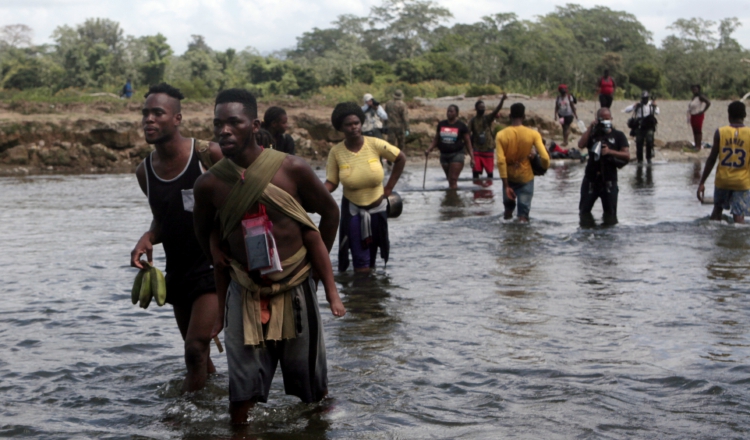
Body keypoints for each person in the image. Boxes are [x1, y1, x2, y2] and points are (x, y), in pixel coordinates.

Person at [192, 88, 345, 425]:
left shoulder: (292, 169)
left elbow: (329, 214)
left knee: (312, 392)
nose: (224, 131)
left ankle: (317, 430)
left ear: (254, 124)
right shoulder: (209, 185)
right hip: (244, 290)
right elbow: (202, 231)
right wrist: (218, 253)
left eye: (234, 122)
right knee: (241, 397)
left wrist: (316, 272)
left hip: (295, 287)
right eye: (219, 124)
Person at [129, 83, 223, 392]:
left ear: (178, 118)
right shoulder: (145, 171)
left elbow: (241, 199)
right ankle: (216, 402)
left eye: (158, 113)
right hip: (179, 271)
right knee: (198, 355)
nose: (149, 120)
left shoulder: (207, 154)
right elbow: (164, 217)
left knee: (194, 348)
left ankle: (186, 417)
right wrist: (149, 235)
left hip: (214, 266)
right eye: (146, 114)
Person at [325, 102, 406, 273]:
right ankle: (361, 294)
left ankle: (371, 298)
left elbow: (400, 158)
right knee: (360, 260)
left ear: (361, 123)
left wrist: (389, 188)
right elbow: (331, 183)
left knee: (374, 257)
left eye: (356, 123)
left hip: (379, 210)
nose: (354, 127)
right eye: (348, 124)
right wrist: (311, 193)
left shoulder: (375, 144)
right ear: (341, 128)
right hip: (354, 211)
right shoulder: (336, 152)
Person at [697, 101, 750, 224]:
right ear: (744, 116)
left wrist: (702, 182)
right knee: (739, 216)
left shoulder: (720, 132)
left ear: (729, 116)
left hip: (723, 181)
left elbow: (711, 159)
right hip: (742, 182)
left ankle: (714, 238)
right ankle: (738, 241)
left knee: (717, 211)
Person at [495, 103, 550, 222]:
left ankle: (507, 237)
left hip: (509, 178)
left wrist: (506, 186)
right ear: (524, 117)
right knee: (523, 216)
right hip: (526, 178)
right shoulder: (533, 134)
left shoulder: (501, 135)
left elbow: (501, 161)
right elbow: (545, 157)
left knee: (508, 213)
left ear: (510, 116)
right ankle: (523, 238)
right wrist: (544, 168)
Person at [578, 107, 630, 220]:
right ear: (597, 119)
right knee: (584, 212)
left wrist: (609, 151)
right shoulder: (592, 134)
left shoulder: (618, 135)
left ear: (611, 119)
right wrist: (591, 127)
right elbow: (581, 144)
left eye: (608, 118)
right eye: (603, 119)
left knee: (610, 215)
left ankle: (607, 236)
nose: (606, 121)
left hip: (609, 179)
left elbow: (627, 155)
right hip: (591, 179)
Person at [425, 105, 474, 189]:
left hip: (457, 154)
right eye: (448, 111)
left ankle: (452, 200)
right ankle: (451, 197)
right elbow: (436, 139)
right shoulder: (441, 124)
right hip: (444, 155)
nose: (449, 113)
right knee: (449, 179)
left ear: (456, 113)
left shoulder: (461, 126)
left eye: (451, 111)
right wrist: (429, 149)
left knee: (453, 179)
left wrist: (472, 158)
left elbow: (467, 142)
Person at [469, 93, 507, 179]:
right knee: (475, 172)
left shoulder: (487, 118)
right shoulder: (473, 121)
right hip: (477, 148)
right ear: (476, 108)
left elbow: (496, 110)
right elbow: (467, 134)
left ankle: (488, 190)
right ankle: (476, 190)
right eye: (480, 107)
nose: (482, 109)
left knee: (490, 173)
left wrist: (502, 101)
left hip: (488, 147)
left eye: (483, 107)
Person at [624, 91, 660, 163]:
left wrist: (655, 106)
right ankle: (640, 159)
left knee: (649, 141)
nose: (645, 100)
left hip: (649, 126)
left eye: (646, 98)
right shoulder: (638, 105)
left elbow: (658, 112)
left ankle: (649, 158)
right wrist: (634, 106)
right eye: (643, 98)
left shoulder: (651, 105)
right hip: (640, 126)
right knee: (639, 142)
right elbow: (626, 110)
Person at [688, 84, 711, 151]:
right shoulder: (694, 97)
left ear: (698, 89)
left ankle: (698, 146)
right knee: (694, 130)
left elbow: (708, 102)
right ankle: (696, 145)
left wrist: (703, 111)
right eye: (693, 90)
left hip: (698, 115)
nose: (694, 91)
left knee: (698, 131)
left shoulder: (700, 97)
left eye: (695, 89)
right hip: (693, 115)